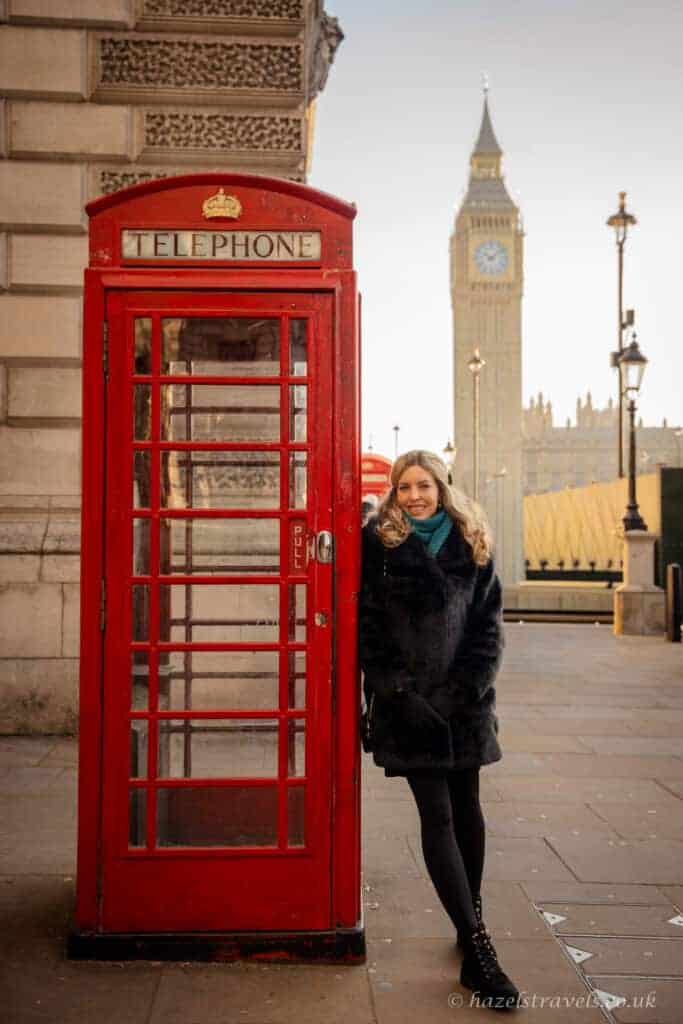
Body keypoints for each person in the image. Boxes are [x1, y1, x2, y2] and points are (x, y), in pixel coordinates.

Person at [359, 450, 520, 1011]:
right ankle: (479, 951)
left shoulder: (473, 539)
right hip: (407, 707)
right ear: (393, 492)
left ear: (442, 488)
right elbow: (367, 626)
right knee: (439, 816)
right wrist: (397, 691)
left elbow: (488, 628)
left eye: (424, 486)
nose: (415, 496)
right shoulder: (377, 544)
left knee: (469, 811)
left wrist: (462, 691)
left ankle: (466, 918)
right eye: (404, 487)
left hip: (464, 704)